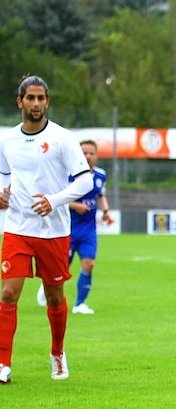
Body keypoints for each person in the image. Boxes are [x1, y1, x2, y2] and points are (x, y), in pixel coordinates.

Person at [0, 75, 94, 384]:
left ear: (47, 102)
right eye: (31, 98)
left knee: (54, 298)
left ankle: (57, 352)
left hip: (53, 232)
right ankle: (3, 364)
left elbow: (85, 180)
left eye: (41, 98)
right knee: (8, 294)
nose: (36, 103)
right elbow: (3, 175)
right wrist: (2, 194)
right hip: (17, 228)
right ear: (20, 102)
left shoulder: (62, 138)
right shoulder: (7, 140)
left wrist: (54, 201)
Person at [37, 140, 113, 314]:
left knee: (88, 263)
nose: (87, 156)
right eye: (84, 153)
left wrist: (106, 211)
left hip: (88, 230)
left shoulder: (101, 175)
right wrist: (75, 205)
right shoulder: (68, 175)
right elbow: (57, 198)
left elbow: (101, 195)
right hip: (67, 229)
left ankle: (79, 304)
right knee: (62, 268)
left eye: (91, 153)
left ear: (96, 155)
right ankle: (47, 287)